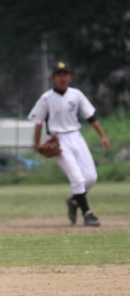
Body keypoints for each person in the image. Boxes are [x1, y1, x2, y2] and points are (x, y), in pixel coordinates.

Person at [28, 61, 110, 227]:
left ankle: (74, 201)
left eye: (65, 75)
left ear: (70, 77)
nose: (62, 78)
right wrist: (37, 144)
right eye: (59, 75)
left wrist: (102, 136)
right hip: (59, 140)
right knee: (78, 180)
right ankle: (88, 214)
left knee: (91, 178)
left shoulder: (76, 95)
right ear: (53, 78)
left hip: (76, 136)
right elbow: (38, 122)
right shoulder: (46, 98)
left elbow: (90, 117)